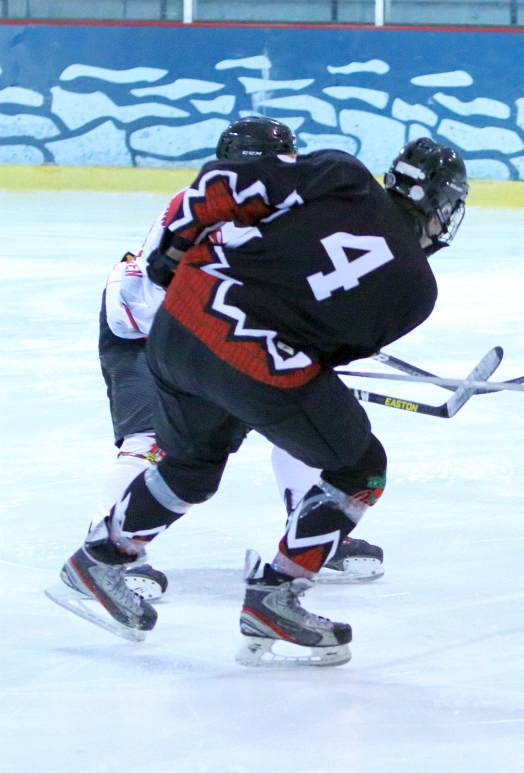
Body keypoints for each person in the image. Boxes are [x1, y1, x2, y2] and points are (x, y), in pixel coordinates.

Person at [47, 132, 468, 668]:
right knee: (361, 468)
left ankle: (100, 558)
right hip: (252, 364)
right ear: (438, 204)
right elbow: (324, 356)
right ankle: (277, 595)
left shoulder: (342, 175)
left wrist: (173, 246)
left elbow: (224, 182)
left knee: (191, 467)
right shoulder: (417, 291)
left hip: (178, 328)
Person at [92, 118, 384, 605]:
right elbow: (161, 295)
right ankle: (104, 553)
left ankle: (311, 531)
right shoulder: (202, 209)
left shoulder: (278, 212)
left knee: (301, 419)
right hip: (144, 333)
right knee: (153, 441)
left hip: (216, 333)